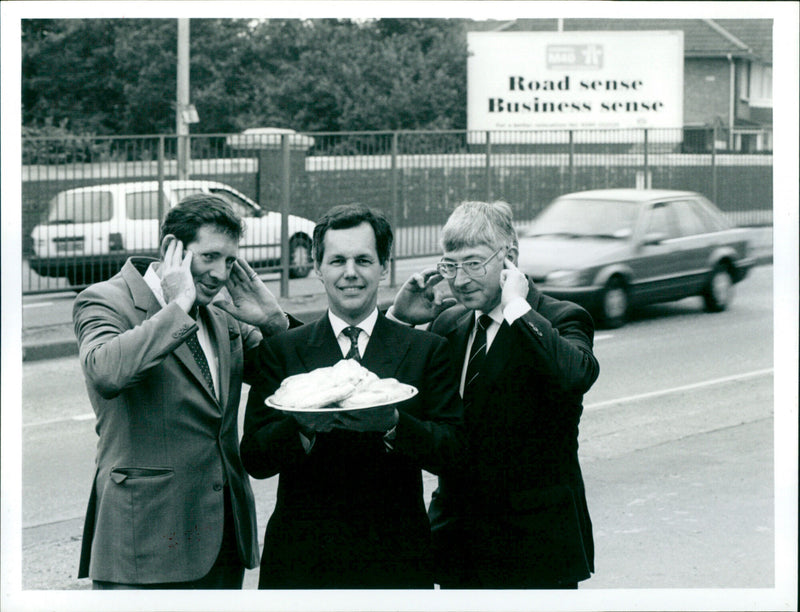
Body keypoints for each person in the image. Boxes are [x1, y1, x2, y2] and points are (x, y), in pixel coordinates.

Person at [73, 194, 296, 589]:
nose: (221, 273)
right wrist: (179, 306)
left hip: (223, 540)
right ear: (170, 250)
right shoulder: (105, 300)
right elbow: (106, 372)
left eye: (230, 261)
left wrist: (275, 322)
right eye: (209, 256)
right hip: (144, 543)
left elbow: (292, 382)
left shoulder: (222, 313)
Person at [240, 204, 464, 589]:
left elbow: (453, 451)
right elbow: (255, 458)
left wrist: (394, 426)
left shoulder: (427, 349)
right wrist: (302, 429)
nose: (350, 273)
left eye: (363, 260)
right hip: (301, 562)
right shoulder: (283, 350)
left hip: (395, 560)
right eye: (337, 260)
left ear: (383, 266)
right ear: (318, 267)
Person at [388, 200, 600, 589]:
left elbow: (576, 375)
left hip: (534, 547)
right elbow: (400, 399)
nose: (460, 279)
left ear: (510, 259)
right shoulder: (449, 323)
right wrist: (399, 322)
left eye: (473, 263)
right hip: (458, 540)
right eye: (450, 265)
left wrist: (517, 306)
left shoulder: (559, 318)